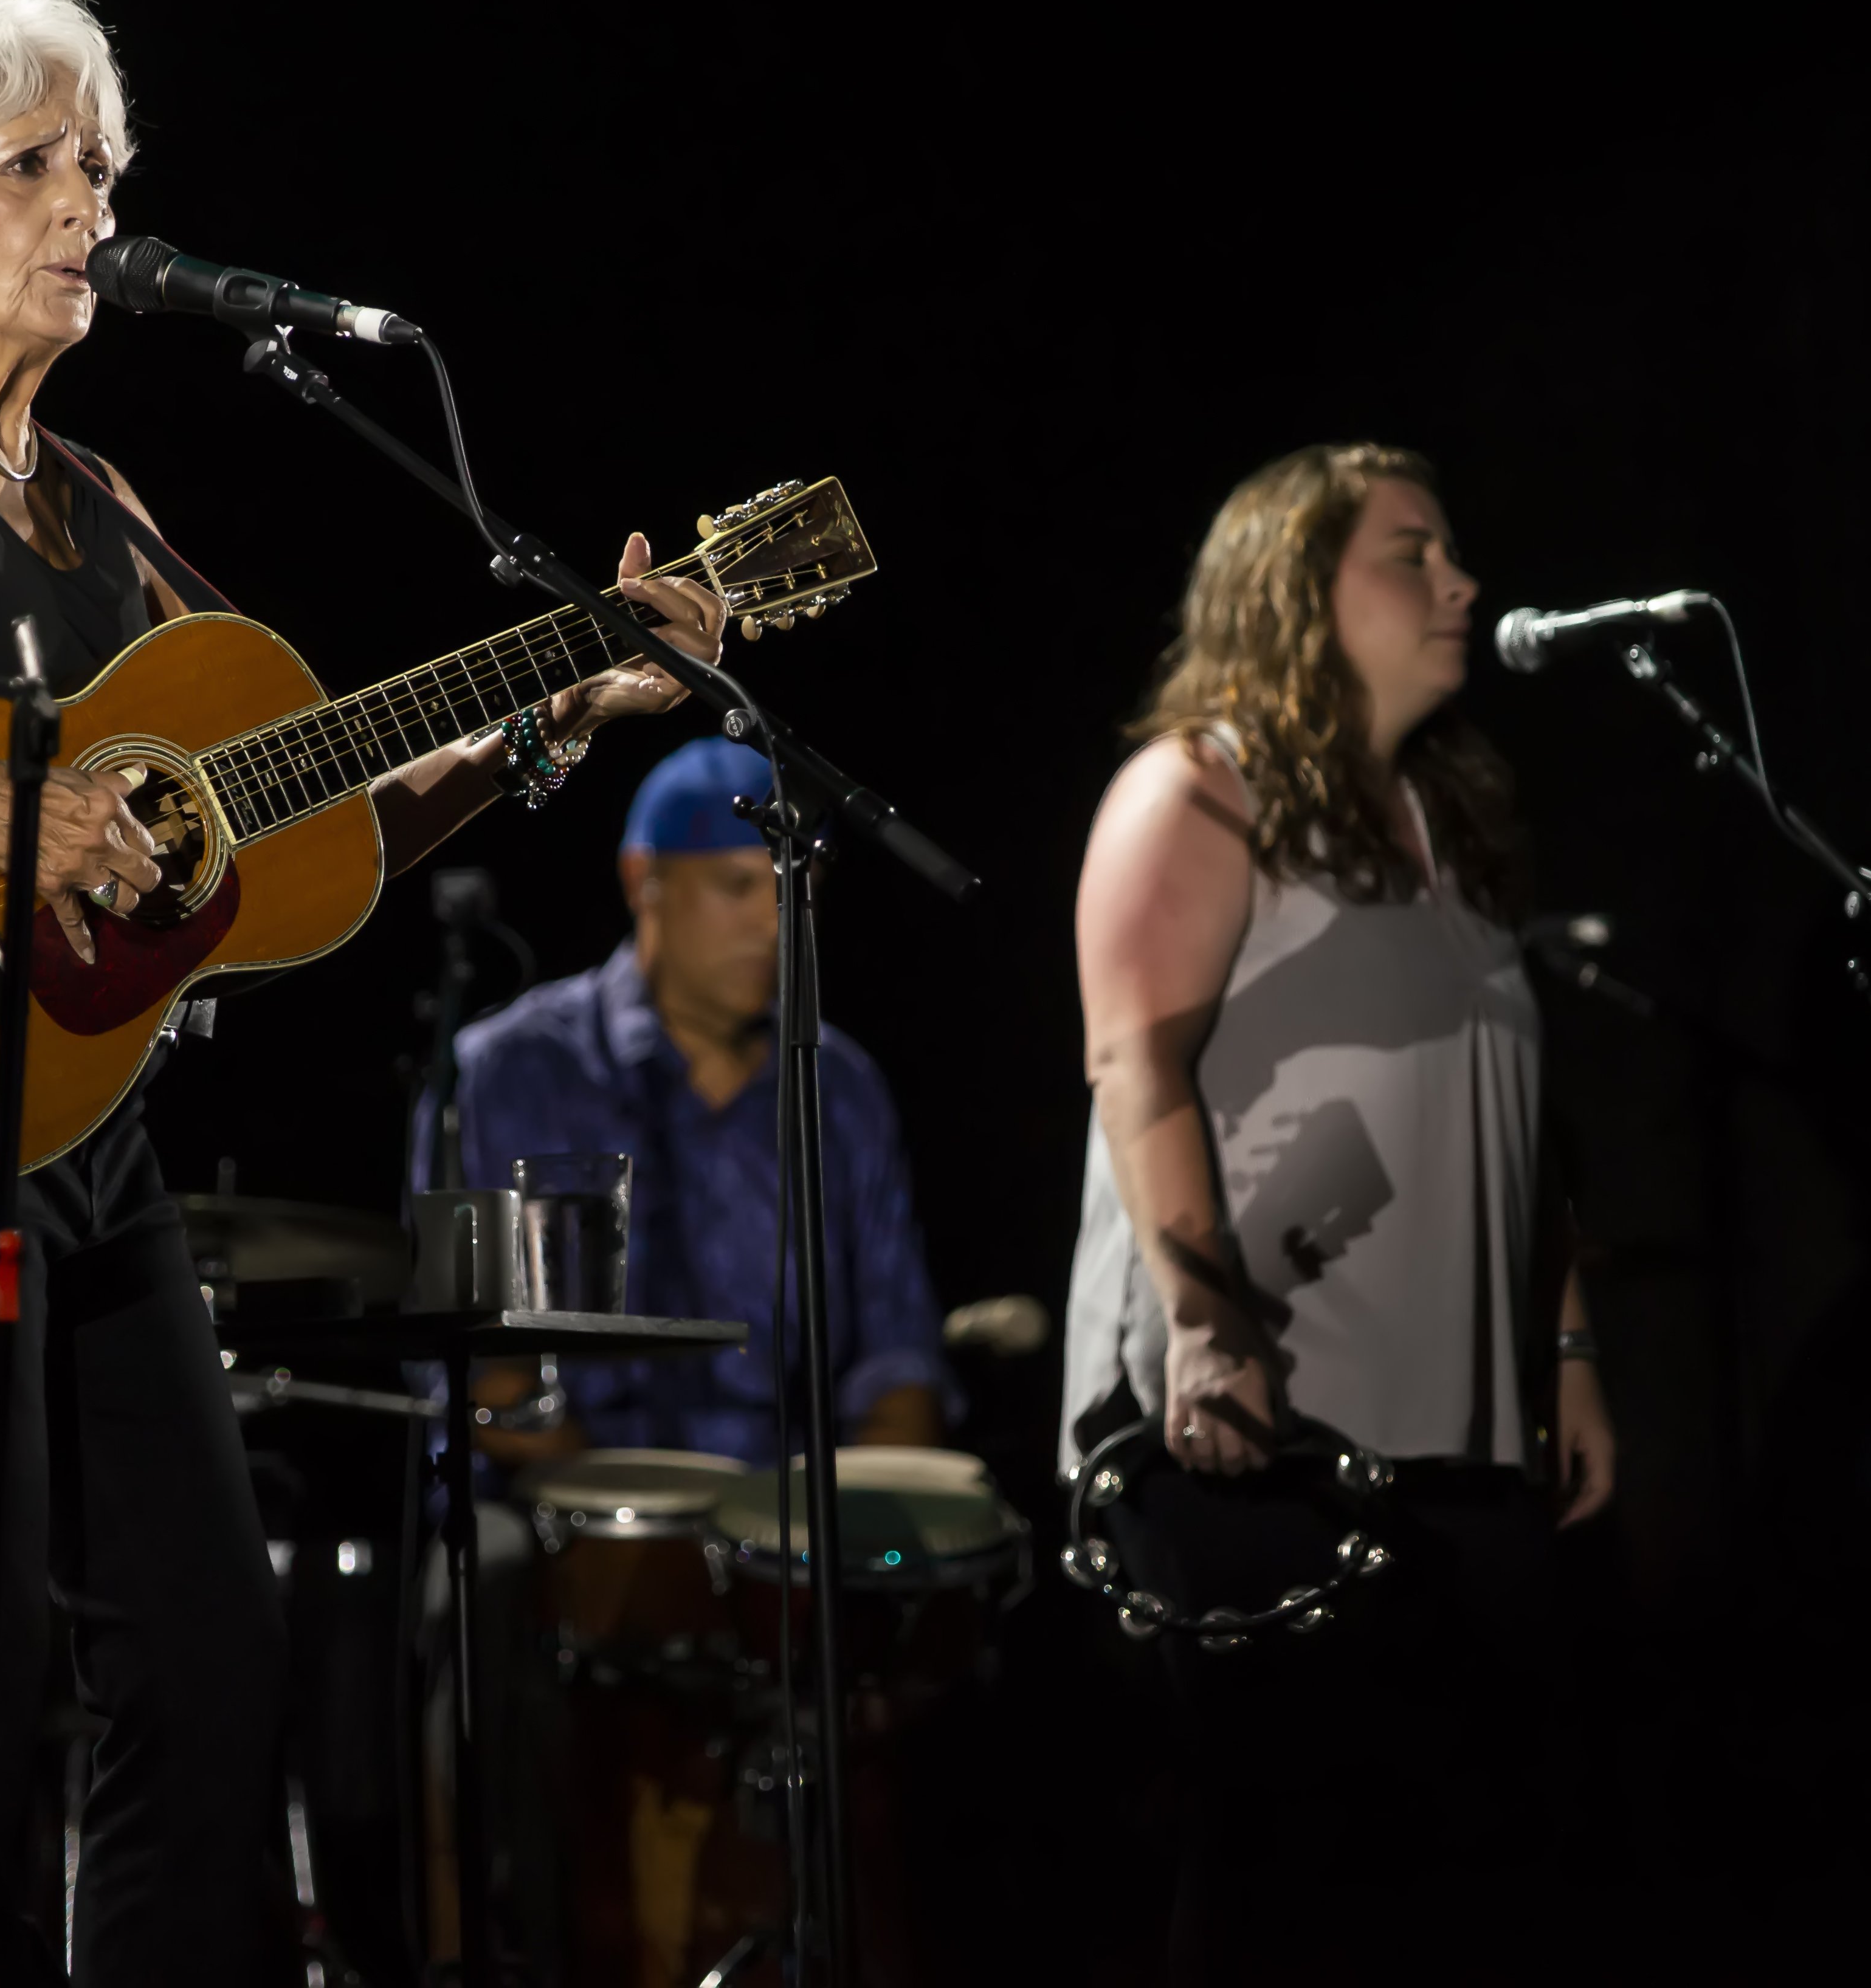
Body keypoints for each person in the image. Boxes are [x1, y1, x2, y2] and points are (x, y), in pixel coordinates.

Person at [0, 0, 725, 1981]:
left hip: (85, 1161)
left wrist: (562, 706)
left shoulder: (107, 511)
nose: (85, 206)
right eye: (29, 165)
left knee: (211, 1666)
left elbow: (306, 829)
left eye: (96, 166)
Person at [1061, 443, 1614, 1980]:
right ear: (1297, 591)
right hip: (1266, 1430)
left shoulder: (1455, 824)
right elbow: (1135, 1057)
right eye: (1412, 554)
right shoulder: (1198, 786)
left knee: (1479, 1880)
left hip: (1464, 1439)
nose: (1462, 584)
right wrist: (1203, 1321)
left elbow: (1520, 1127)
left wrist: (1564, 1349)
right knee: (1282, 1882)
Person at [413, 735, 954, 1462]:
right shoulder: (510, 1067)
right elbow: (470, 1362)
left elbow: (898, 1357)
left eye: (796, 892)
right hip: (562, 1508)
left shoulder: (840, 1083)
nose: (775, 924)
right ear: (643, 881)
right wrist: (616, 1532)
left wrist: (877, 1521)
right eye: (736, 886)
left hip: (780, 1522)